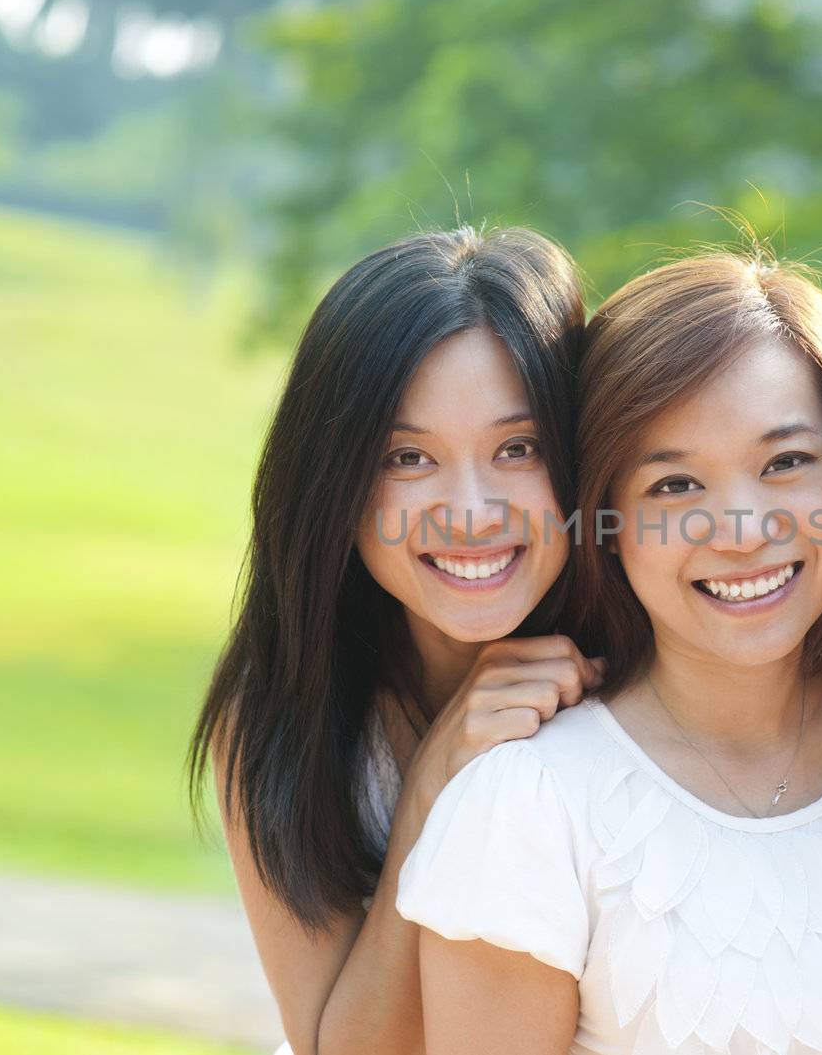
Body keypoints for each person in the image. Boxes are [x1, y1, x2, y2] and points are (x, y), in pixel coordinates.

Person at [396, 253, 822, 1055]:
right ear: (608, 520)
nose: (741, 529)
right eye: (674, 486)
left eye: (785, 463)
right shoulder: (528, 809)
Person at [187, 226, 604, 1055]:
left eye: (516, 448)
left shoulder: (651, 670)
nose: (473, 511)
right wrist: (430, 790)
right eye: (408, 458)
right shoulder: (281, 713)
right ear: (335, 483)